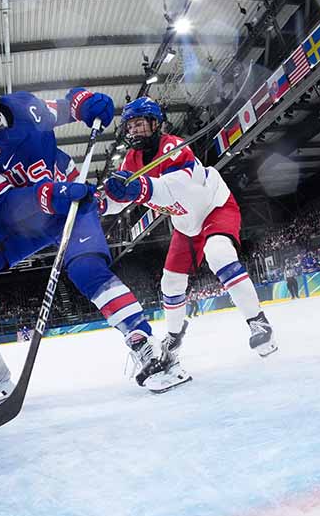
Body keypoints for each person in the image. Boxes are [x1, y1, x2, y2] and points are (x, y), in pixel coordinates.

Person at [0, 68, 186, 402]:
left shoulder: (24, 107)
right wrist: (44, 196)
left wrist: (85, 103)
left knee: (87, 270)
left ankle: (143, 343)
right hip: (25, 221)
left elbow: (66, 108)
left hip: (71, 204)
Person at [102, 97, 277, 364]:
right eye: (130, 126)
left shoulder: (173, 147)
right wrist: (99, 203)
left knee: (218, 253)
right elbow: (120, 198)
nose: (133, 130)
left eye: (139, 123)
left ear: (154, 123)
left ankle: (258, 322)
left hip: (214, 208)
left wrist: (140, 188)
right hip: (185, 223)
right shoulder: (132, 159)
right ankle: (174, 336)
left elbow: (181, 189)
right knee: (170, 282)